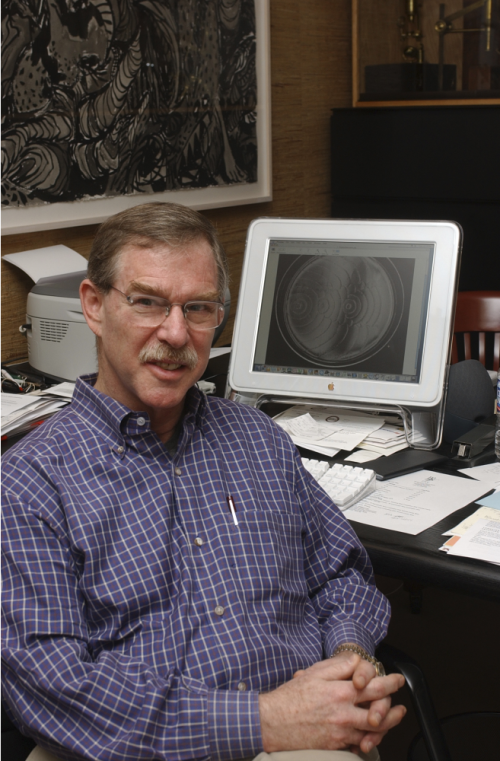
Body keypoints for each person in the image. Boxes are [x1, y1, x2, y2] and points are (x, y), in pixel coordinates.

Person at [0, 202, 406, 761]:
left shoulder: (258, 439)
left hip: (300, 734)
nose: (175, 332)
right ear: (93, 306)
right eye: (147, 302)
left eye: (198, 308)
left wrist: (350, 659)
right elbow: (50, 683)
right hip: (124, 747)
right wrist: (263, 721)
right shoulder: (29, 483)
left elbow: (340, 573)